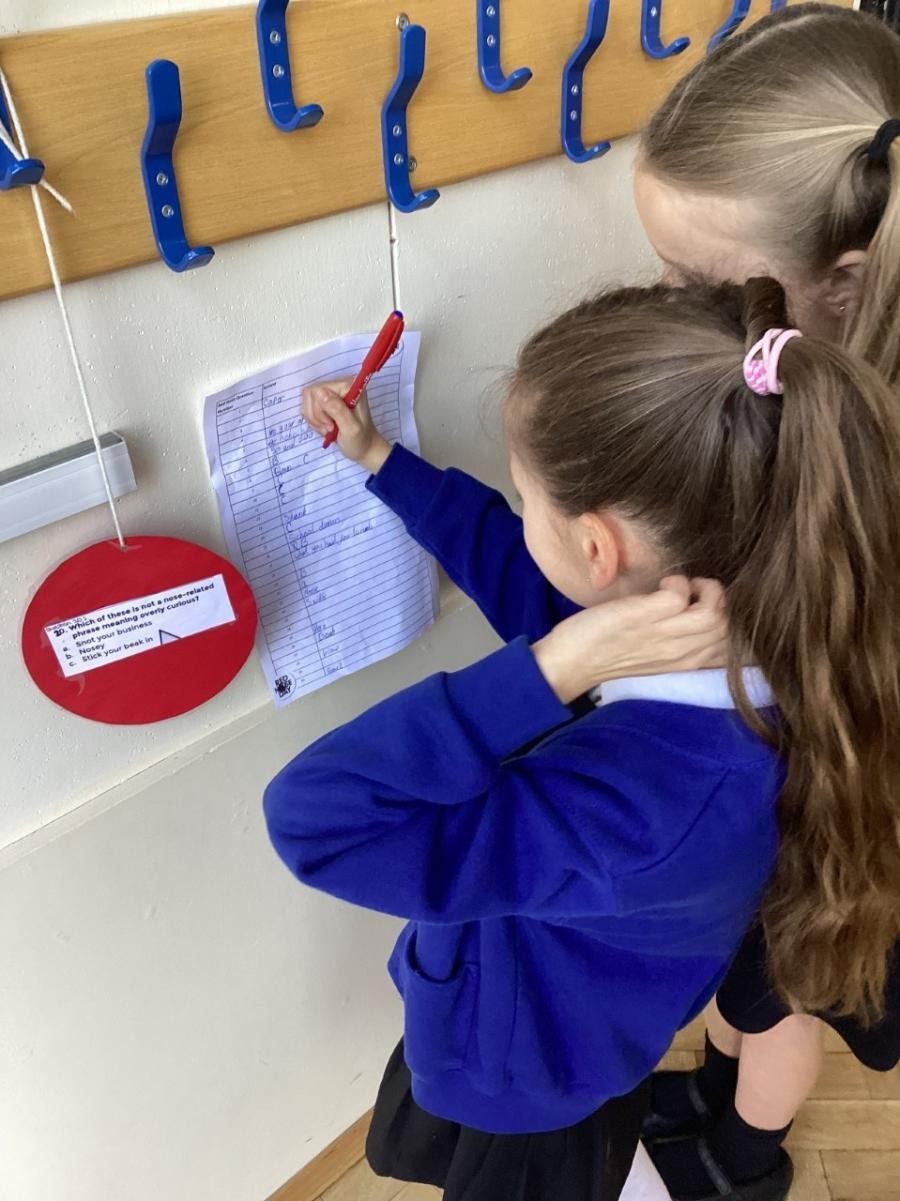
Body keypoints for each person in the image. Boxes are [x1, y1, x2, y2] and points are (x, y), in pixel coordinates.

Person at [264, 276, 900, 1201]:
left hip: (527, 1080)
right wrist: (380, 459)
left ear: (601, 553)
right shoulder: (754, 637)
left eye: (525, 499)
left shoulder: (643, 800)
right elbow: (509, 561)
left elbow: (315, 815)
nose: (517, 518)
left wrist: (553, 665)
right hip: (551, 1022)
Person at [632, 6, 900, 1198]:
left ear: (844, 285)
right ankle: (709, 1092)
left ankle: (744, 1156)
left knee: (784, 986)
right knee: (741, 975)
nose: (672, 305)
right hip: (781, 783)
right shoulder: (787, 372)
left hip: (850, 818)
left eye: (698, 283)